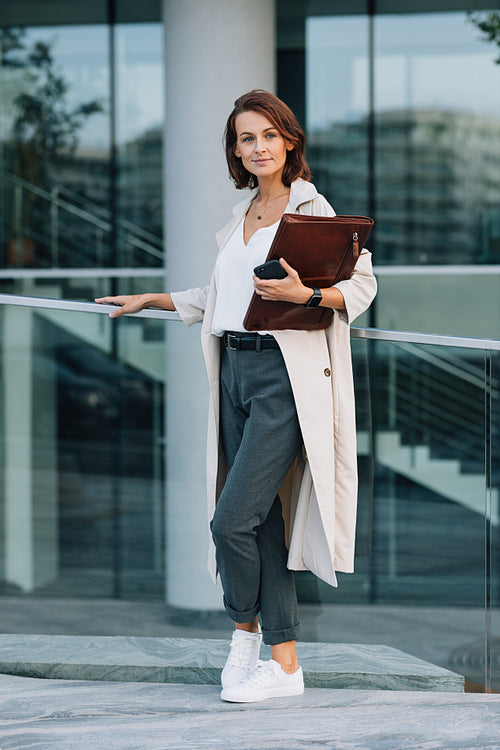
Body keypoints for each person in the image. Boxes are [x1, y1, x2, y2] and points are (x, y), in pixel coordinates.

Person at [96, 89, 377, 703]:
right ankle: (285, 665)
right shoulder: (243, 213)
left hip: (283, 378)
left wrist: (304, 296)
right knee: (263, 521)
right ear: (236, 149)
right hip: (233, 374)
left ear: (290, 141)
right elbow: (224, 295)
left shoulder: (309, 207)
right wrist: (154, 298)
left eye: (268, 136)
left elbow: (360, 288)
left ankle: (244, 634)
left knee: (230, 522)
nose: (258, 147)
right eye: (246, 138)